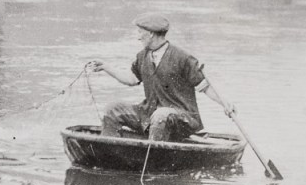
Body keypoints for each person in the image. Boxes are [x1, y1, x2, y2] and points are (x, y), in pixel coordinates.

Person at [89, 13, 235, 142]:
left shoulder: (182, 58)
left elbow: (205, 87)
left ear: (151, 33)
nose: (138, 36)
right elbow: (131, 79)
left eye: (140, 32)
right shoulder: (142, 56)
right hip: (150, 114)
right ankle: (109, 153)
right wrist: (106, 67)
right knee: (113, 109)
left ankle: (154, 158)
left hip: (182, 119)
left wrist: (225, 104)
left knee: (161, 115)